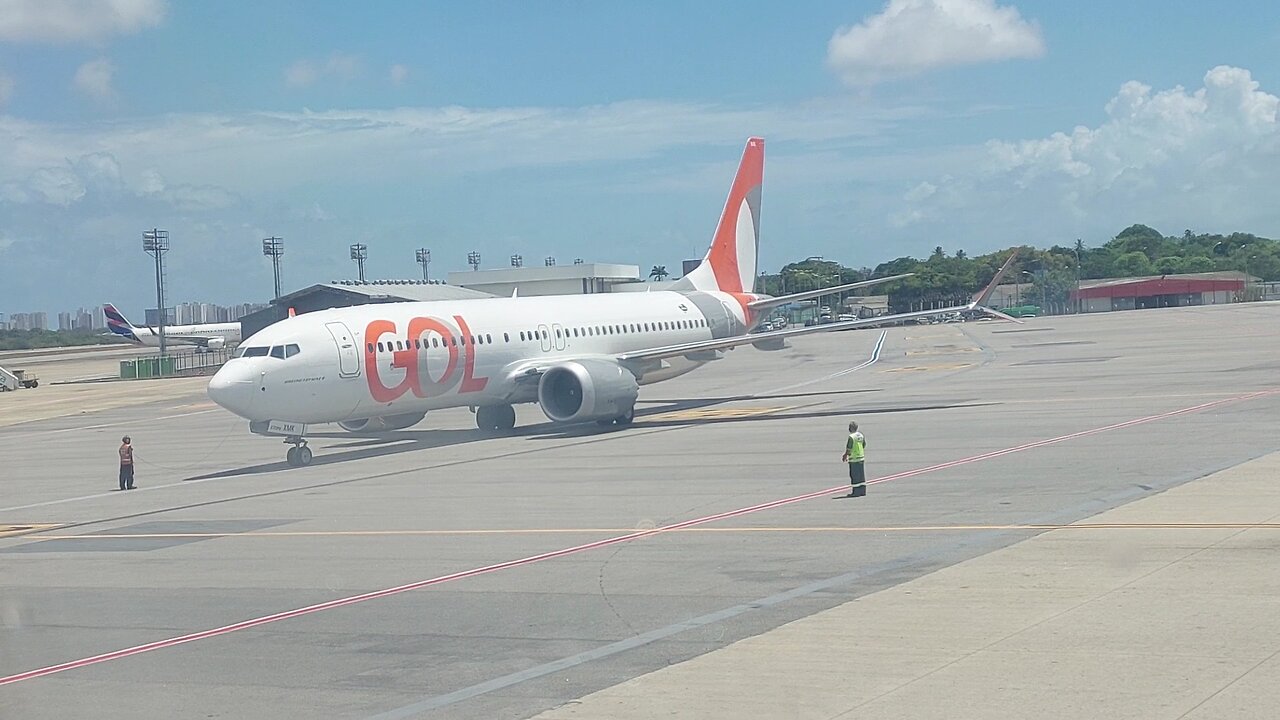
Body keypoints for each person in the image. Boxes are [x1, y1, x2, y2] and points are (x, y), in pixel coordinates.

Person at [840, 421, 866, 497]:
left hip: (854, 459)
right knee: (861, 475)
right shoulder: (860, 435)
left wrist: (845, 455)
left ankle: (856, 492)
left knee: (854, 476)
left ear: (850, 428)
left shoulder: (851, 437)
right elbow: (864, 444)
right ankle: (862, 491)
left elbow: (849, 448)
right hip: (861, 457)